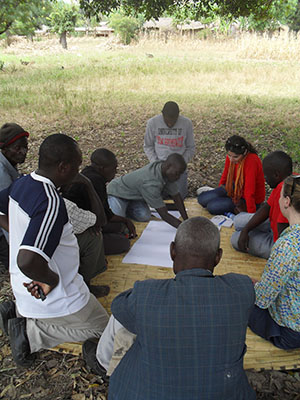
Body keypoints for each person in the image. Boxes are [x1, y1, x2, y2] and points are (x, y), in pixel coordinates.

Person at [82, 217, 256, 400]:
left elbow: (118, 307)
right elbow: (252, 285)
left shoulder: (146, 294)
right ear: (218, 257)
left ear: (172, 251)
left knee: (123, 322)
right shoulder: (241, 289)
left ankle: (102, 363)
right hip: (226, 393)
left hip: (143, 394)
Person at [0, 134, 109, 367]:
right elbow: (28, 260)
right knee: (106, 332)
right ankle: (31, 333)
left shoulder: (22, 183)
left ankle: (17, 314)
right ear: (63, 167)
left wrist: (18, 231)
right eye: (77, 167)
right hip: (56, 295)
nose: (79, 172)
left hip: (25, 288)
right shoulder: (50, 202)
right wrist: (52, 278)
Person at [248, 175, 300, 349]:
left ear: (286, 201)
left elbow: (262, 299)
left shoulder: (287, 245)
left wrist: (254, 287)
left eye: (279, 195)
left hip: (290, 333)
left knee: (241, 297)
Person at [63, 149, 136, 255]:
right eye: (114, 168)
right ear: (102, 168)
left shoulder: (88, 173)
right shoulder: (95, 181)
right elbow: (103, 218)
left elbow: (106, 213)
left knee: (120, 228)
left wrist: (124, 221)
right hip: (84, 227)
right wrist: (126, 221)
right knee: (123, 243)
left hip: (91, 221)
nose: (115, 172)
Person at [231, 151, 292, 259]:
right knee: (238, 221)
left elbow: (283, 237)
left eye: (266, 176)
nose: (264, 179)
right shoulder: (288, 181)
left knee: (235, 238)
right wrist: (246, 229)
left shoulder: (285, 192)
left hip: (279, 241)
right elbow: (267, 208)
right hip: (273, 223)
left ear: (277, 175)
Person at [107, 153, 189, 228]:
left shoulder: (166, 171)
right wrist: (185, 228)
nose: (178, 177)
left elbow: (177, 197)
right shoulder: (150, 183)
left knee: (144, 216)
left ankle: (126, 208)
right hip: (117, 193)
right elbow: (164, 215)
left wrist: (186, 221)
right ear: (168, 167)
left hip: (133, 196)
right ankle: (113, 203)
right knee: (117, 220)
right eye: (177, 173)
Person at [198, 135, 265, 216]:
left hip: (247, 198)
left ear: (244, 152)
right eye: (229, 156)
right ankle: (225, 201)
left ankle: (229, 204)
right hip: (233, 187)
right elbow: (225, 175)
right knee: (202, 199)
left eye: (236, 157)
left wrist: (250, 215)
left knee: (212, 207)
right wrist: (220, 191)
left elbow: (249, 191)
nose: (231, 160)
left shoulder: (252, 161)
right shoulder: (231, 156)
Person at [144, 101, 195, 199]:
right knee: (156, 195)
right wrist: (156, 164)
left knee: (180, 196)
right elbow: (148, 146)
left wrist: (181, 163)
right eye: (167, 121)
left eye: (174, 121)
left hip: (179, 165)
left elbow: (190, 147)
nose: (170, 124)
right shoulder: (153, 123)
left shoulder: (186, 123)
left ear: (178, 115)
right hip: (160, 163)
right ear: (162, 115)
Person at [0, 122, 29, 270]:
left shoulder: (9, 162)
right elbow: (3, 212)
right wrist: (17, 241)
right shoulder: (2, 173)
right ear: (4, 148)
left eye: (25, 147)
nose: (23, 152)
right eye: (17, 148)